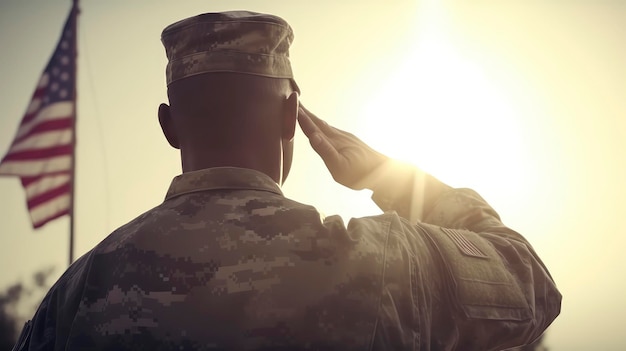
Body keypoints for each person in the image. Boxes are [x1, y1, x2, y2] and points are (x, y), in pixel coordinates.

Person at [13, 11, 561, 351]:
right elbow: (530, 283)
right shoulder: (375, 261)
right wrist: (393, 178)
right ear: (290, 114)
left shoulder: (75, 294)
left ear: (169, 125)